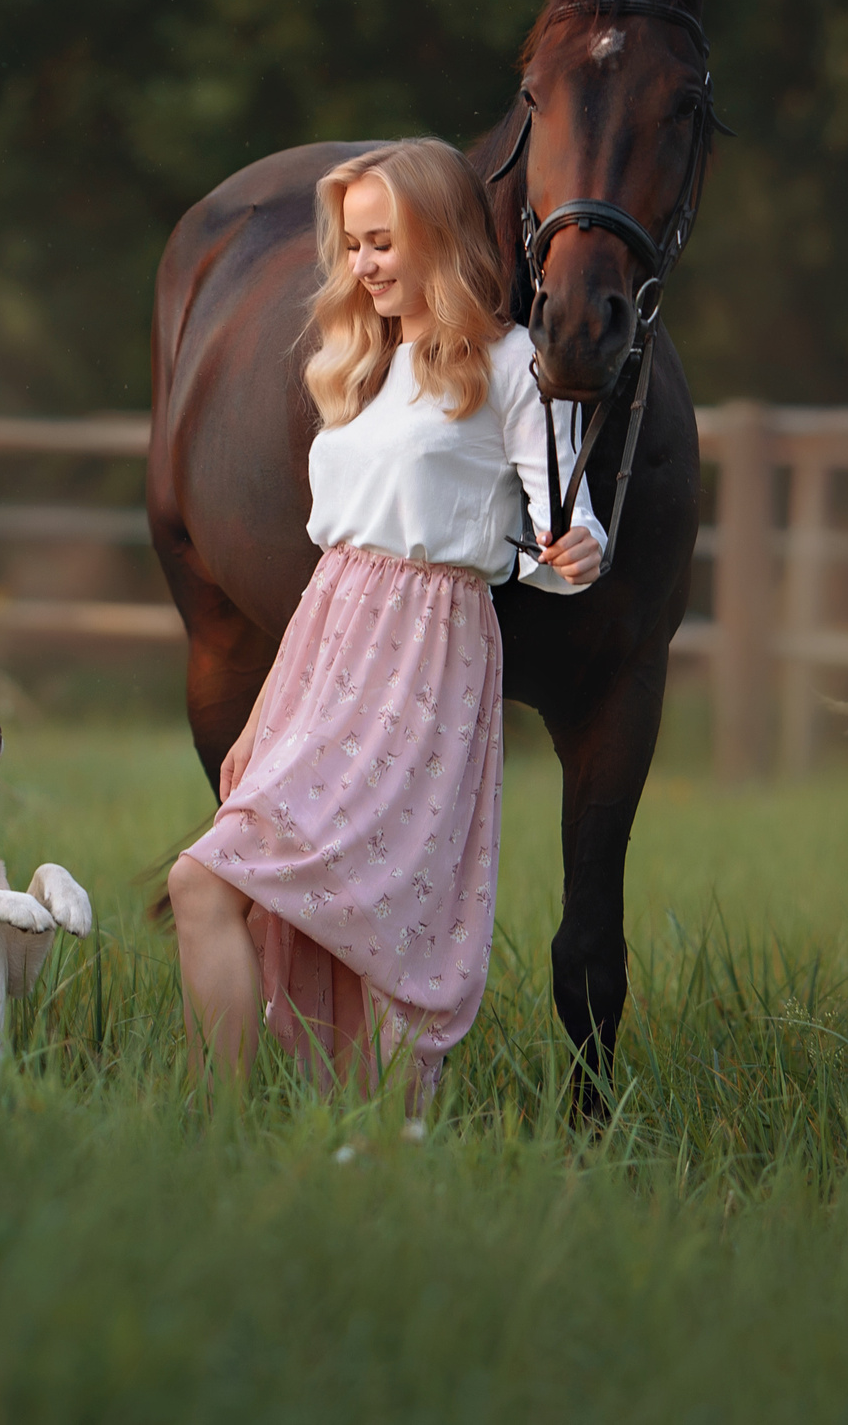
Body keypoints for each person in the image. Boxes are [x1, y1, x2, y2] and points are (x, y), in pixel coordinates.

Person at [165, 136, 603, 1107]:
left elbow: (563, 527)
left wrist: (576, 553)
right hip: (327, 640)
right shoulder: (358, 362)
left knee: (389, 921)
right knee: (205, 883)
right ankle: (219, 1128)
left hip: (424, 649)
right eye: (352, 245)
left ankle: (384, 1146)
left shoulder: (509, 366)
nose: (360, 266)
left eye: (380, 242)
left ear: (440, 237)